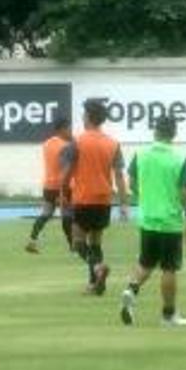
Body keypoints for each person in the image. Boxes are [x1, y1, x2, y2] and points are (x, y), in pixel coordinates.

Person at [119, 114, 186, 328]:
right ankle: (168, 314)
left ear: (155, 131)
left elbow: (132, 182)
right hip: (169, 221)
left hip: (147, 219)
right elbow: (183, 193)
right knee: (169, 268)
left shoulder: (141, 154)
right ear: (174, 133)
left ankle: (130, 289)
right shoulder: (180, 158)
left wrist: (145, 198)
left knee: (146, 263)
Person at [61, 98, 128, 296]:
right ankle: (96, 285)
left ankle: (98, 268)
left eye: (83, 114)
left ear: (88, 117)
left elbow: (68, 173)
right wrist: (123, 204)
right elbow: (119, 176)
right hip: (104, 200)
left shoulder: (78, 142)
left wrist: (62, 193)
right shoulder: (113, 143)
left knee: (77, 242)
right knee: (96, 242)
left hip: (83, 198)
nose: (82, 117)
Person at [25, 110, 75, 255]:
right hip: (63, 185)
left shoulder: (47, 144)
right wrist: (62, 191)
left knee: (46, 213)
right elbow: (65, 167)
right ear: (63, 128)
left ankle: (32, 240)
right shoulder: (65, 146)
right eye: (69, 128)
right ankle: (72, 246)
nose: (71, 131)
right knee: (67, 216)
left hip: (48, 185)